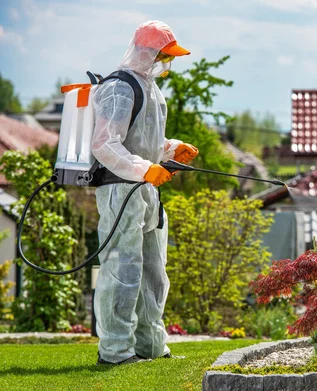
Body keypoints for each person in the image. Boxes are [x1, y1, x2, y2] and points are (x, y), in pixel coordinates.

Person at [91, 20, 198, 365]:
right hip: (120, 190)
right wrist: (143, 168)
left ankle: (151, 346)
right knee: (123, 271)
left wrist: (171, 149)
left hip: (146, 191)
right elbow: (105, 144)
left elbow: (145, 142)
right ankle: (116, 351)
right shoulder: (119, 88)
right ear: (149, 53)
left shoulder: (152, 90)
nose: (169, 63)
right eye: (165, 56)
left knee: (154, 271)